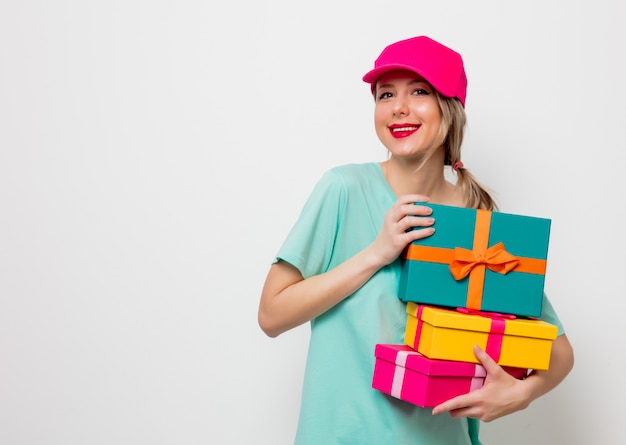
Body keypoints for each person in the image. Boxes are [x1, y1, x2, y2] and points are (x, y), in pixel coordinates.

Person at [258, 35, 574, 445]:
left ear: (450, 108)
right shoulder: (343, 189)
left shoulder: (475, 222)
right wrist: (377, 253)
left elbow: (559, 352)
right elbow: (271, 314)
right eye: (385, 94)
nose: (398, 107)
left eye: (419, 92)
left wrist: (521, 394)